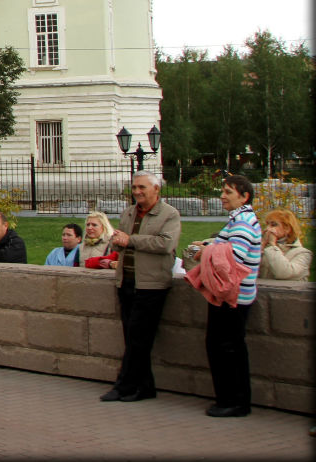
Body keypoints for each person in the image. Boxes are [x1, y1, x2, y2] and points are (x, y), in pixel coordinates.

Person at [100, 170, 180, 403]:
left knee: (138, 337)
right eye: (134, 188)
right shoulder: (129, 213)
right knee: (132, 336)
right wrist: (118, 242)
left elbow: (165, 244)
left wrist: (130, 240)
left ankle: (124, 385)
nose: (137, 192)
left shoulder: (169, 215)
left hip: (152, 284)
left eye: (142, 188)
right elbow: (123, 243)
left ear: (156, 189)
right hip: (126, 281)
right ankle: (145, 387)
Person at [189, 175, 261, 417]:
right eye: (223, 191)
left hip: (233, 298)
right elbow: (228, 248)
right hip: (234, 296)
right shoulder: (242, 220)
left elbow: (233, 259)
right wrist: (211, 244)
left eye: (228, 192)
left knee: (226, 347)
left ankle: (234, 402)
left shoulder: (241, 223)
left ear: (244, 196)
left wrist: (206, 250)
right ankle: (231, 400)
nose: (222, 196)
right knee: (226, 346)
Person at [258, 208, 311, 280]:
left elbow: (284, 273)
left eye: (273, 225)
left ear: (287, 229)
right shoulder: (265, 249)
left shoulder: (303, 253)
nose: (268, 229)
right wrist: (261, 246)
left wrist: (272, 245)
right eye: (267, 224)